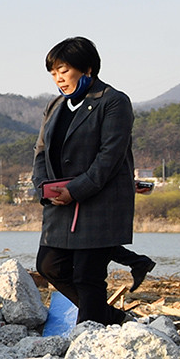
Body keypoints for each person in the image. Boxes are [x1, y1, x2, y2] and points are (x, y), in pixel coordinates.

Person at [33, 37, 134, 324]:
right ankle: (110, 316)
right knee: (49, 265)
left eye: (63, 70)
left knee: (88, 275)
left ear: (87, 68)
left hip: (98, 201)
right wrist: (42, 185)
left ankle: (88, 339)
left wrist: (75, 190)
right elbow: (40, 151)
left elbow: (109, 157)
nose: (58, 79)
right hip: (58, 202)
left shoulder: (113, 102)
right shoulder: (55, 106)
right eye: (53, 73)